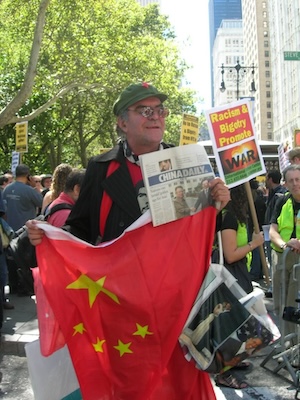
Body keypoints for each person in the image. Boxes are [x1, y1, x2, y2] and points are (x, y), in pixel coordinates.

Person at [26, 82, 230, 399]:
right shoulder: (101, 168)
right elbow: (80, 229)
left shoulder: (186, 161)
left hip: (179, 309)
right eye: (144, 110)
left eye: (159, 110)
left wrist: (218, 203)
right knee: (131, 388)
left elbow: (199, 232)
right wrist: (46, 234)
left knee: (179, 388)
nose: (155, 117)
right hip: (124, 314)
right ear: (122, 122)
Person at [214, 184, 264, 389]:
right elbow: (230, 254)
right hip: (229, 275)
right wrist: (254, 244)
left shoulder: (234, 217)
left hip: (236, 273)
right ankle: (223, 372)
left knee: (238, 322)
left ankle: (233, 359)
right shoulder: (229, 218)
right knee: (230, 324)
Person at [269, 164, 300, 344]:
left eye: (298, 179)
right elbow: (272, 231)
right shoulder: (281, 201)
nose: (295, 184)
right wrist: (284, 244)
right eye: (291, 181)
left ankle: (296, 344)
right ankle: (286, 344)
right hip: (281, 257)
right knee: (281, 303)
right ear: (285, 183)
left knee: (295, 302)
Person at [3, 164, 43, 295]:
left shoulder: (6, 190)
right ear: (28, 176)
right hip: (24, 232)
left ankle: (13, 285)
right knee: (24, 259)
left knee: (10, 259)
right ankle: (24, 286)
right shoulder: (29, 190)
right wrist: (35, 187)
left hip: (9, 229)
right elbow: (41, 203)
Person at [264, 170, 287, 297]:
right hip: (270, 230)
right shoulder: (274, 193)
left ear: (271, 179)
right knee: (272, 260)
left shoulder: (280, 195)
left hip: (276, 232)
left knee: (277, 261)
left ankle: (277, 286)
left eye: (266, 178)